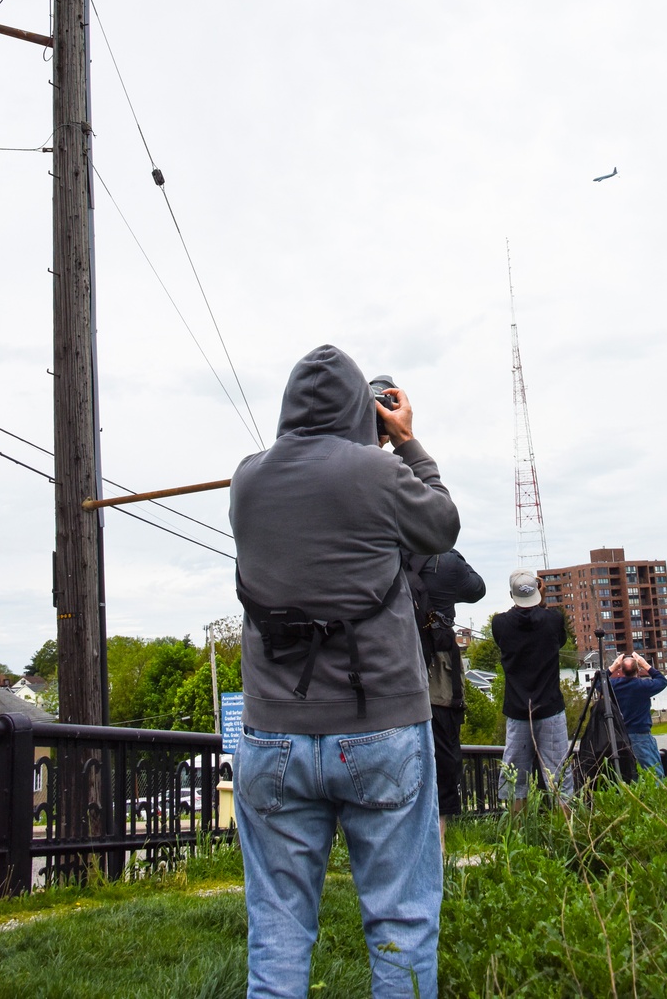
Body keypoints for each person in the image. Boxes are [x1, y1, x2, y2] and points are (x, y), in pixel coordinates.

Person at [230, 346, 460, 999]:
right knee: (401, 923)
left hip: (272, 736)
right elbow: (441, 527)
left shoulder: (248, 479)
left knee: (275, 930)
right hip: (380, 726)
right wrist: (406, 442)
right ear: (364, 413)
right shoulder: (377, 475)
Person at [406, 549, 486, 841]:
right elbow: (477, 588)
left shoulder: (390, 554)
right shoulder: (447, 561)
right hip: (440, 670)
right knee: (444, 750)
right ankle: (438, 842)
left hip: (397, 663)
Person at [491, 571, 574, 810]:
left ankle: (518, 834)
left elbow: (511, 624)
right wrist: (543, 598)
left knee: (515, 776)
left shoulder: (500, 623)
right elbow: (558, 640)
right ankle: (566, 832)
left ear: (511, 595)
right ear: (538, 592)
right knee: (559, 775)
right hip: (550, 707)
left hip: (517, 709)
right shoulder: (553, 619)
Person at [608, 651, 667, 782]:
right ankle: (659, 799)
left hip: (620, 736)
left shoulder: (614, 685)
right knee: (654, 774)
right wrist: (645, 664)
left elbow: (598, 683)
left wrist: (613, 666)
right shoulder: (643, 686)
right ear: (638, 670)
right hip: (641, 735)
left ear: (621, 670)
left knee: (629, 775)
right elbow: (662, 681)